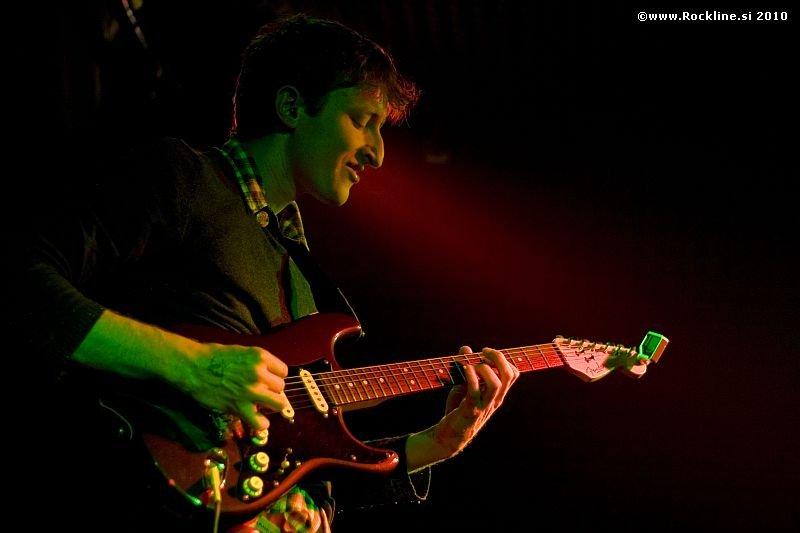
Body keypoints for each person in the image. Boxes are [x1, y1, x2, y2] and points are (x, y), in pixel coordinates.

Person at [14, 14, 519, 532]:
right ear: (292, 107)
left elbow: (297, 464)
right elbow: (20, 277)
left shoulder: (303, 281)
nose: (378, 153)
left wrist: (436, 443)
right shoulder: (183, 179)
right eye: (361, 120)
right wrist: (195, 366)